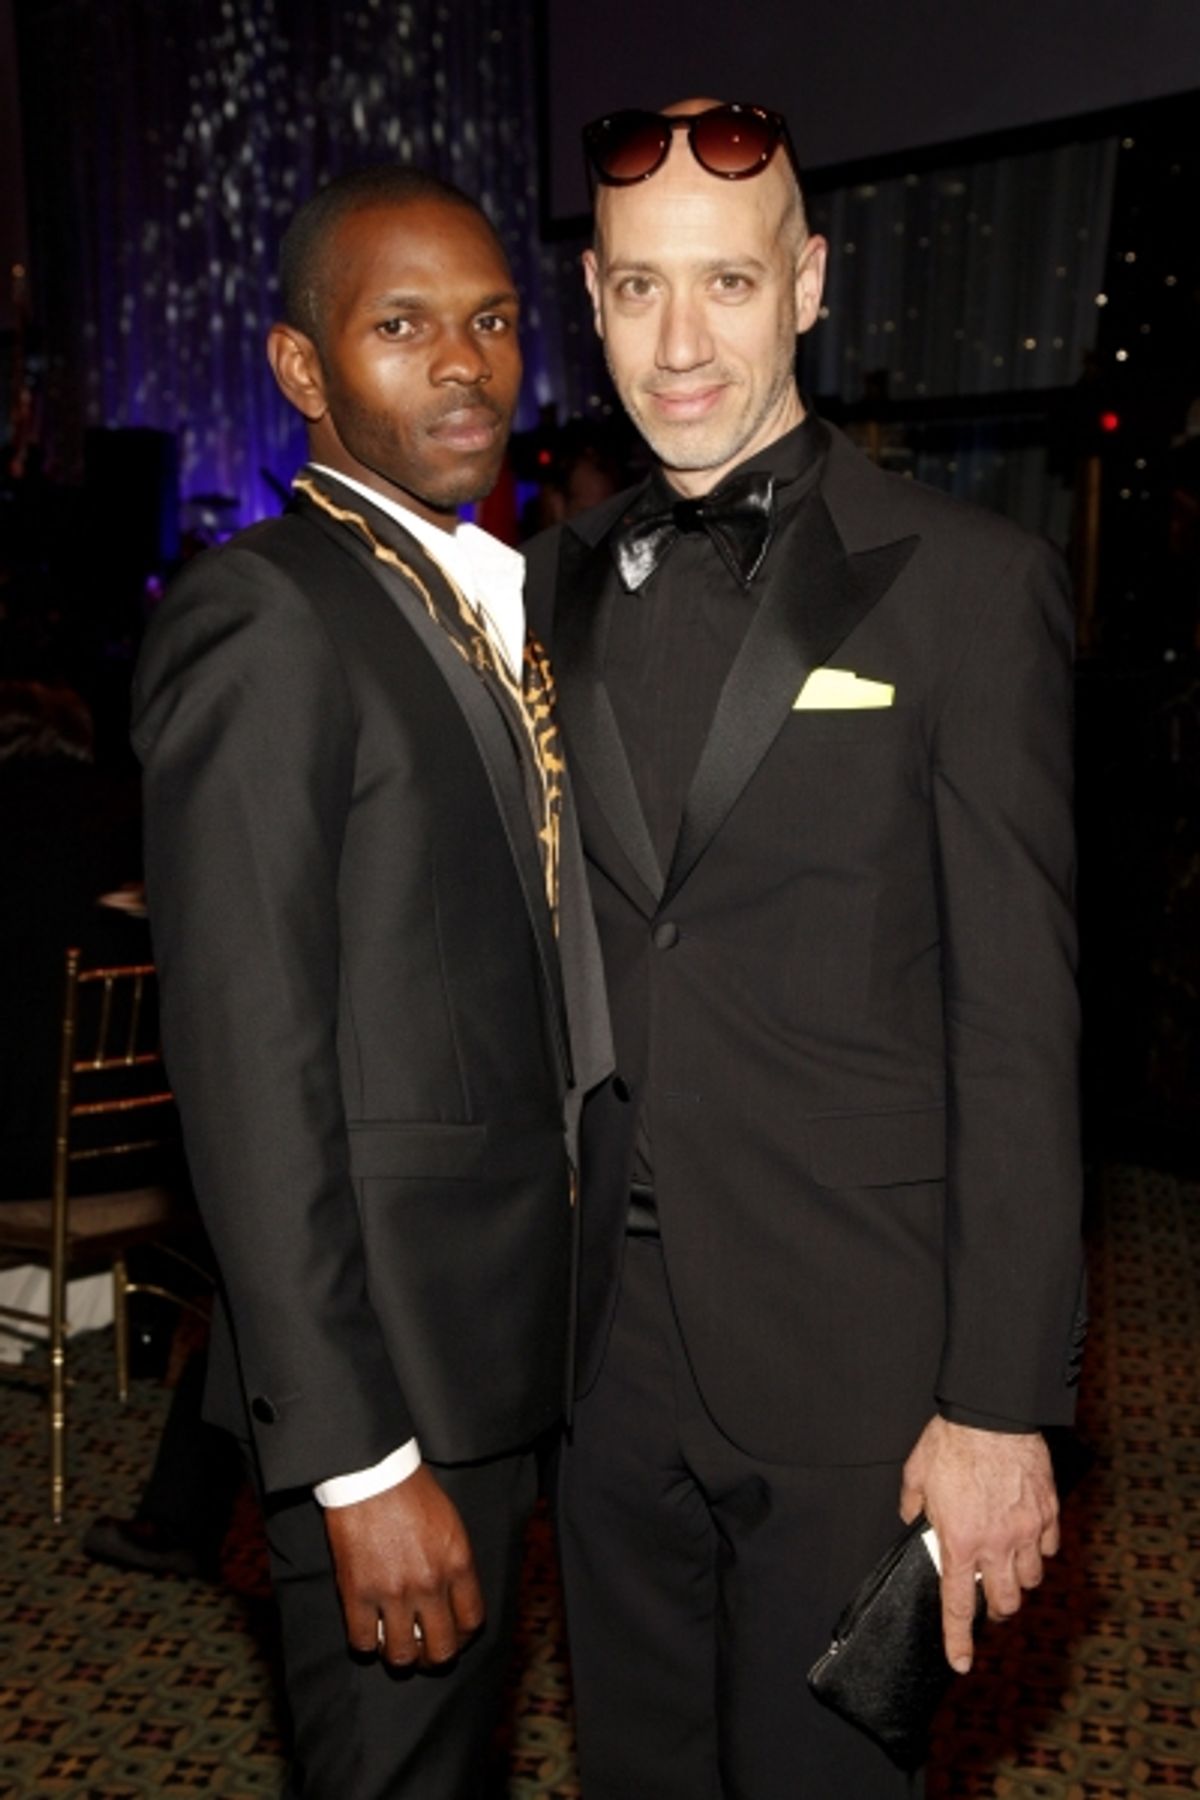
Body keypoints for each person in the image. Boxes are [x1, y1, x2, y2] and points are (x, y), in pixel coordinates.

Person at [524, 100, 1087, 1799]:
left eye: (730, 283)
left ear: (811, 284)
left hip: (863, 1363)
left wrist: (1001, 1404)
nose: (681, 344)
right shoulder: (538, 594)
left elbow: (1019, 1025)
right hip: (601, 1359)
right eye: (640, 289)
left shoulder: (968, 587)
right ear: (593, 299)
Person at [133, 165, 607, 1800]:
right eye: (400, 326)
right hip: (390, 1389)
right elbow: (248, 1070)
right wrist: (355, 1460)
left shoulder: (472, 597)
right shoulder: (266, 612)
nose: (464, 362)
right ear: (301, 366)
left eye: (491, 320)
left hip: (501, 1351)